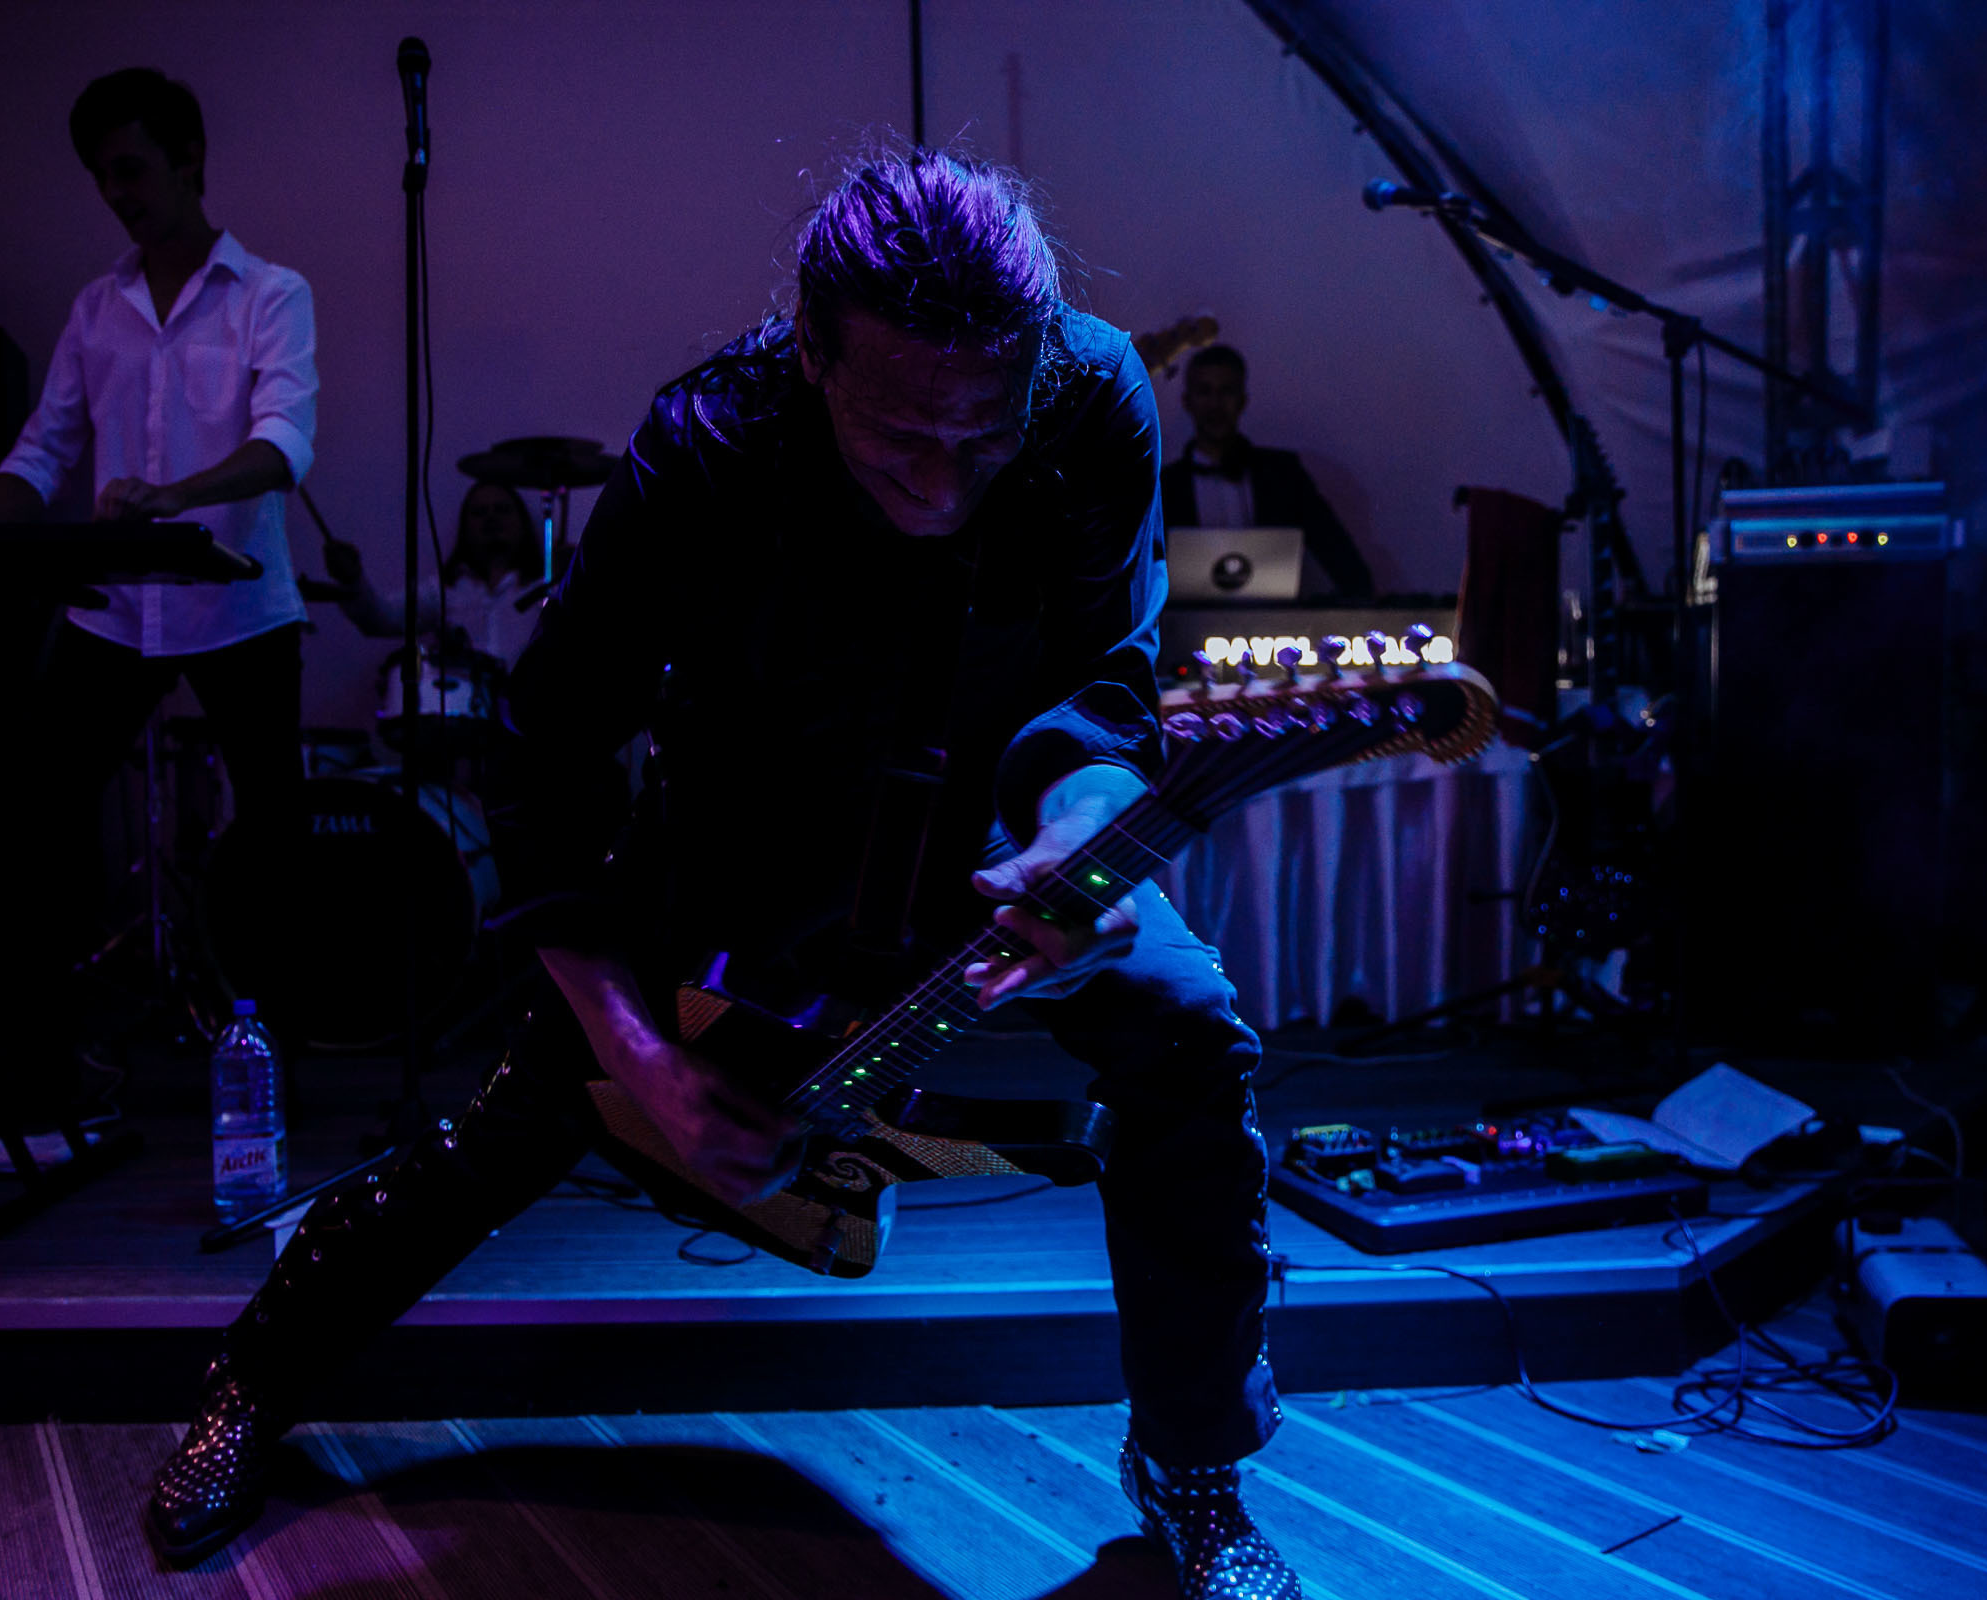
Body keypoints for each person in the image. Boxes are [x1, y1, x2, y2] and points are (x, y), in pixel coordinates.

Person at [145, 147, 1300, 1600]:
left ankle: (1193, 1465)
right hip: (743, 840)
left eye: (981, 440)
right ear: (809, 354)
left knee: (1188, 1031)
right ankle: (254, 1379)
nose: (943, 484)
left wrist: (1083, 828)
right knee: (526, 1122)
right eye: (896, 441)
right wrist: (649, 1059)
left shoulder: (1095, 397)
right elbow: (548, 757)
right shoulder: (706, 445)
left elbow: (1106, 683)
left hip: (1000, 840)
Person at [0, 67, 314, 1097]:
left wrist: (174, 496)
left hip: (238, 605)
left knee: (270, 839)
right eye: (100, 176)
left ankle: (267, 1050)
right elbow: (42, 451)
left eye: (130, 167)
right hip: (117, 611)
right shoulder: (96, 308)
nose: (116, 192)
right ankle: (40, 1053)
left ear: (189, 161)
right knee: (37, 812)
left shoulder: (271, 293)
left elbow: (284, 442)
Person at [1160, 343, 1376, 601]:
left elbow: (1342, 558)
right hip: (1184, 633)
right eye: (1204, 392)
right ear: (1187, 401)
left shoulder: (1284, 475)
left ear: (1242, 400)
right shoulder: (1164, 487)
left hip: (1273, 632)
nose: (1215, 405)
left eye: (1226, 392)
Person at [325, 480, 547, 663]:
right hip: (464, 710)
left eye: (502, 509)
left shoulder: (547, 589)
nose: (492, 518)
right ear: (465, 527)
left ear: (523, 521)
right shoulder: (444, 589)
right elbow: (382, 619)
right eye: (480, 512)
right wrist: (352, 579)